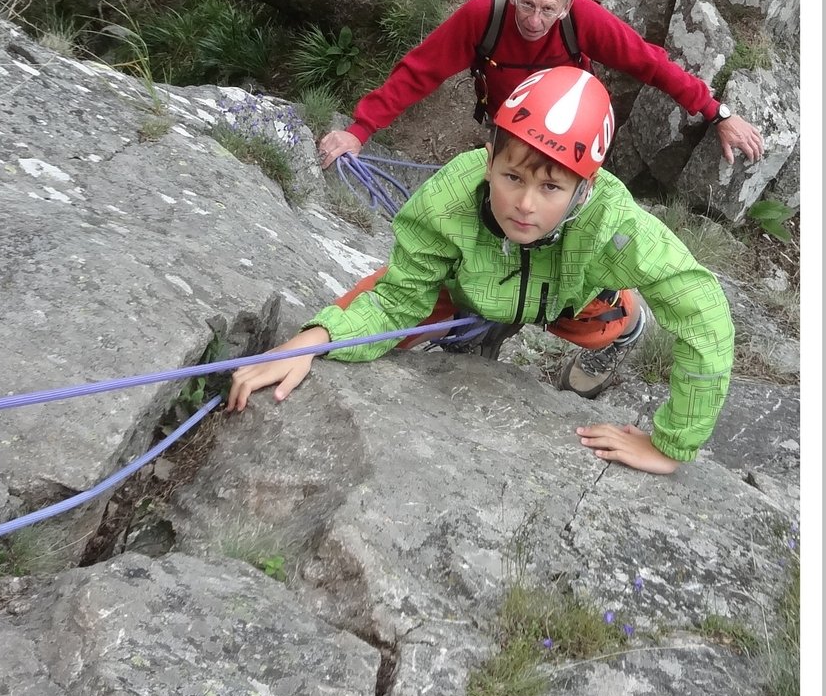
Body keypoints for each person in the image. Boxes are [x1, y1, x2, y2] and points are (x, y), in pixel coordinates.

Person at [229, 66, 734, 475]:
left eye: (551, 189)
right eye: (511, 177)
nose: (524, 205)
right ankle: (477, 332)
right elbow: (394, 303)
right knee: (386, 304)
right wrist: (312, 343)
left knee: (611, 325)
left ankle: (622, 329)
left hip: (566, 292)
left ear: (585, 187)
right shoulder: (449, 201)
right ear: (488, 157)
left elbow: (704, 311)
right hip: (471, 282)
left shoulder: (613, 227)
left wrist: (670, 444)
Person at [316, 0, 764, 169]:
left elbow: (649, 63)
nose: (534, 19)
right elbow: (420, 71)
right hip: (508, 122)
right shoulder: (485, 13)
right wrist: (359, 130)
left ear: (567, 7)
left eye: (548, 10)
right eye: (526, 5)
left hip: (572, 126)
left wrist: (716, 112)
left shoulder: (583, 18)